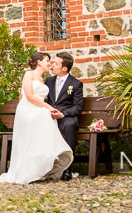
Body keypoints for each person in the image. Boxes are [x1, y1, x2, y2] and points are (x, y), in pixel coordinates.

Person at [0, 52, 73, 184]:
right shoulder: (29, 74)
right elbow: (30, 96)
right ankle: (39, 161)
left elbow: (41, 98)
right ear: (39, 62)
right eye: (47, 60)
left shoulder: (43, 79)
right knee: (45, 115)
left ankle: (42, 161)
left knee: (46, 116)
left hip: (36, 109)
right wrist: (49, 108)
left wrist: (49, 109)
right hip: (27, 110)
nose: (49, 63)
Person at [45, 51, 84, 181]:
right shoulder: (48, 81)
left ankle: (68, 168)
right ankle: (46, 167)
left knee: (70, 125)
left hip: (66, 117)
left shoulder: (76, 84)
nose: (52, 65)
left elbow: (77, 107)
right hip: (50, 116)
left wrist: (63, 114)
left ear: (64, 68)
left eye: (56, 63)